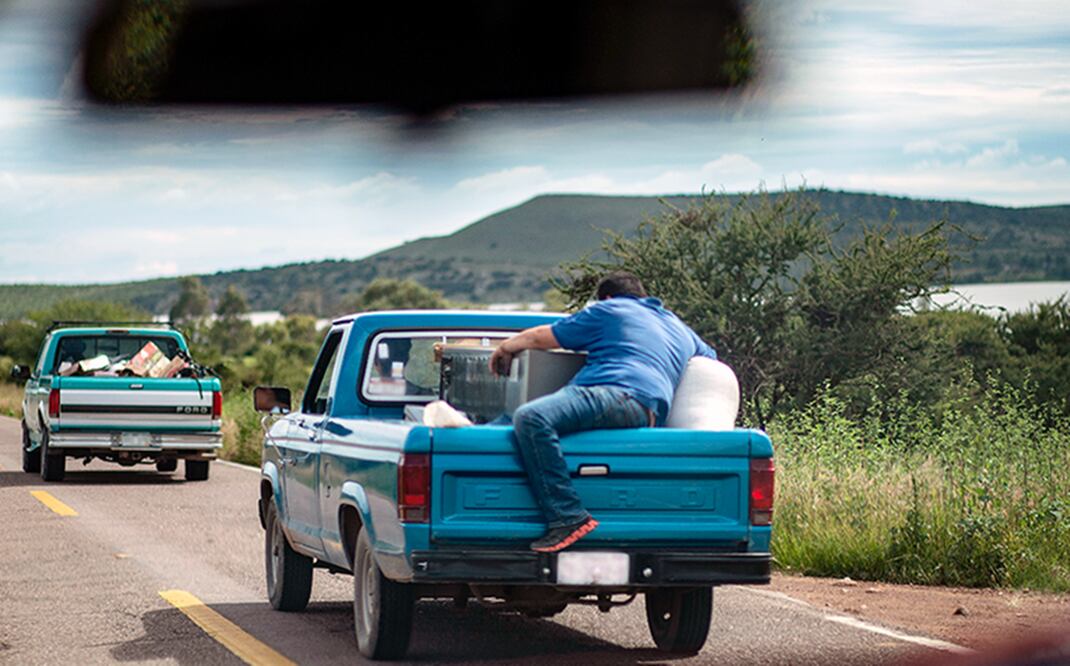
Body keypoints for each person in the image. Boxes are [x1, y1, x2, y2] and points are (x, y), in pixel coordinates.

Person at [488, 271, 717, 552]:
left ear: (606, 298)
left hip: (615, 392)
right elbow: (711, 361)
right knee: (507, 422)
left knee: (530, 417)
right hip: (649, 410)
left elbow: (539, 339)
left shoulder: (609, 309)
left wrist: (506, 346)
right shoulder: (677, 326)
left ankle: (566, 517)